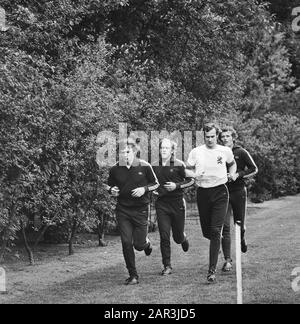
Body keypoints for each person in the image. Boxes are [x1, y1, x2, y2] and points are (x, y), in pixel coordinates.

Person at [186, 123, 237, 283]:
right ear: (204, 137)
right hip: (203, 193)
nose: (210, 139)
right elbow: (186, 169)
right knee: (207, 233)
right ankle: (216, 244)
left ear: (217, 136)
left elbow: (232, 163)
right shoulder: (196, 152)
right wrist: (194, 174)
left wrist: (232, 174)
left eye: (212, 136)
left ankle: (211, 271)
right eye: (207, 137)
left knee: (215, 231)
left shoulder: (225, 151)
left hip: (221, 191)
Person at [107, 138, 159, 285]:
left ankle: (146, 244)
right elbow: (108, 186)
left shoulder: (145, 166)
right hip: (123, 209)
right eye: (122, 152)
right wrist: (112, 190)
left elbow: (156, 184)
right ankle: (133, 274)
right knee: (125, 242)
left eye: (128, 151)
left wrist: (144, 189)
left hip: (141, 209)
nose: (125, 155)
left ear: (135, 151)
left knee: (139, 245)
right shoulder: (115, 169)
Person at [152, 138, 194, 275]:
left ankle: (183, 238)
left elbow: (191, 180)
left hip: (177, 204)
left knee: (177, 237)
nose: (164, 150)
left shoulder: (179, 165)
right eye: (162, 148)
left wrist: (176, 186)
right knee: (164, 236)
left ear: (172, 150)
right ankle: (167, 266)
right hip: (162, 205)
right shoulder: (153, 166)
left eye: (167, 148)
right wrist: (152, 189)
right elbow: (150, 183)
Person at [219, 127, 258, 272]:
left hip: (239, 192)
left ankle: (242, 237)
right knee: (225, 227)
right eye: (222, 136)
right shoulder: (218, 153)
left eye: (227, 136)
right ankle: (228, 261)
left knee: (239, 224)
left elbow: (254, 169)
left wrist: (238, 175)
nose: (225, 138)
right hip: (222, 193)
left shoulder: (240, 152)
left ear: (233, 137)